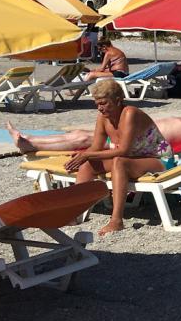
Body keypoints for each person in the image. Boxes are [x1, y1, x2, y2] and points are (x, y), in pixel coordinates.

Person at [63, 79, 171, 236]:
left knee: (119, 162)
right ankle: (72, 214)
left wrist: (87, 154)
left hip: (158, 160)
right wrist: (82, 156)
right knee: (88, 165)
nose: (100, 108)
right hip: (133, 158)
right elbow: (96, 146)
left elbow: (124, 150)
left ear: (118, 100)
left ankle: (117, 220)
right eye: (97, 104)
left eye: (104, 103)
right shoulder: (103, 118)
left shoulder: (130, 113)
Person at [7, 100, 181, 153]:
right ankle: (30, 140)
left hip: (144, 146)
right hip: (143, 138)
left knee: (86, 140)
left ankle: (32, 144)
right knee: (82, 134)